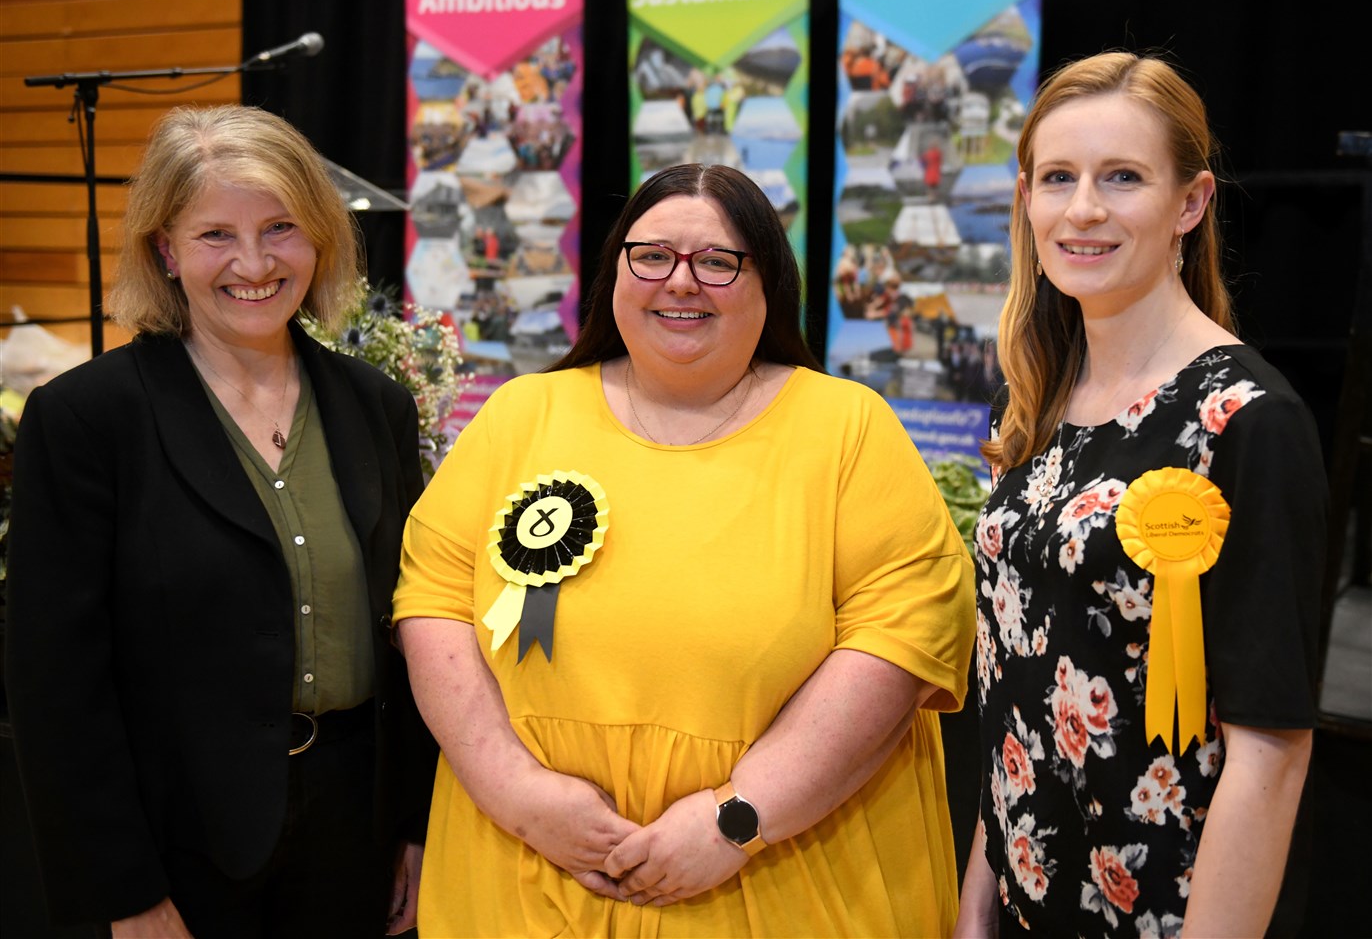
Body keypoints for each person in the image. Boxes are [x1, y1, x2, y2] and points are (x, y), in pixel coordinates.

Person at [393, 163, 975, 936]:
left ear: (767, 282)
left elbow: (906, 637)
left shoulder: (847, 428)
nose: (681, 282)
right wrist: (518, 795)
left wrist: (739, 820)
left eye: (717, 262)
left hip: (783, 878)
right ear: (616, 271)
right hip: (526, 875)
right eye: (653, 255)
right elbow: (432, 601)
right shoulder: (519, 416)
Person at [5, 105, 436, 937]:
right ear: (165, 249)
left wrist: (416, 828)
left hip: (357, 832)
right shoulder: (88, 419)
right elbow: (54, 685)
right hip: (178, 848)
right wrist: (120, 893)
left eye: (280, 227)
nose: (253, 262)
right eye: (215, 236)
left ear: (320, 236)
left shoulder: (374, 405)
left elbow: (412, 635)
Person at [954, 53, 1325, 937]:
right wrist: (974, 916)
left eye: (1122, 177)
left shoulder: (1247, 423)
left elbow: (1271, 756)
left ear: (1189, 204)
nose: (1083, 208)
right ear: (1026, 200)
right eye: (1058, 179)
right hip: (1019, 904)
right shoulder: (1031, 401)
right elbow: (1016, 700)